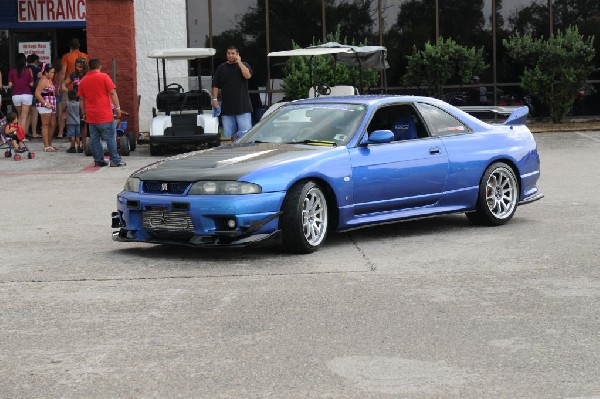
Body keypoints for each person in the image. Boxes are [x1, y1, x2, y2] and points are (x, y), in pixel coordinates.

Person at [78, 58, 125, 167]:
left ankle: (98, 160)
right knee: (110, 137)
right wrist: (117, 107)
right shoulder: (104, 77)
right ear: (100, 66)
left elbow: (81, 99)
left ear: (89, 67)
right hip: (105, 114)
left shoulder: (83, 80)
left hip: (91, 116)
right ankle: (115, 160)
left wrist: (84, 113)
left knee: (95, 139)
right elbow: (112, 93)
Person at [211, 45, 253, 139]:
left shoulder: (244, 65)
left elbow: (247, 76)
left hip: (243, 107)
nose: (230, 55)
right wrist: (214, 99)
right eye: (228, 53)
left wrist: (239, 63)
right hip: (227, 108)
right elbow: (215, 85)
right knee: (229, 136)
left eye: (233, 53)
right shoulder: (221, 68)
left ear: (237, 55)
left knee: (246, 135)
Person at [57, 38, 88, 139]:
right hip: (82, 91)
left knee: (64, 111)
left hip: (70, 89)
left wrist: (60, 85)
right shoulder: (85, 56)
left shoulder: (66, 56)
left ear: (70, 46)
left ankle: (60, 133)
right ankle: (82, 137)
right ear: (79, 45)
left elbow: (63, 72)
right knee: (82, 113)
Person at [62, 57, 87, 147]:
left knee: (83, 122)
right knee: (73, 121)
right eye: (77, 66)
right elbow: (63, 85)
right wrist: (70, 93)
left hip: (85, 101)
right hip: (75, 101)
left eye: (81, 67)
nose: (78, 69)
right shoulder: (73, 75)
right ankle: (74, 144)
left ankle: (84, 143)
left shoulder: (87, 75)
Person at [34, 63, 59, 152]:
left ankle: (50, 144)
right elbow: (37, 94)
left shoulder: (49, 80)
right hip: (45, 105)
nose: (53, 74)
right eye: (51, 72)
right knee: (46, 125)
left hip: (51, 104)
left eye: (53, 72)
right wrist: (45, 103)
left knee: (53, 124)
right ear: (46, 72)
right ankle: (46, 146)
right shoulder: (43, 80)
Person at [8, 53, 34, 133]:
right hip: (26, 95)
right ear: (24, 61)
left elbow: (10, 85)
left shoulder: (12, 71)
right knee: (24, 116)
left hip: (16, 95)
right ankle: (21, 136)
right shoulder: (27, 70)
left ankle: (19, 135)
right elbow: (31, 84)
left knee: (20, 115)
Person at [25, 54, 41, 138]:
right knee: (34, 113)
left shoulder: (25, 69)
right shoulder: (37, 69)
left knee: (28, 114)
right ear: (36, 61)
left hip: (26, 93)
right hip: (34, 93)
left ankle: (25, 131)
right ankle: (34, 133)